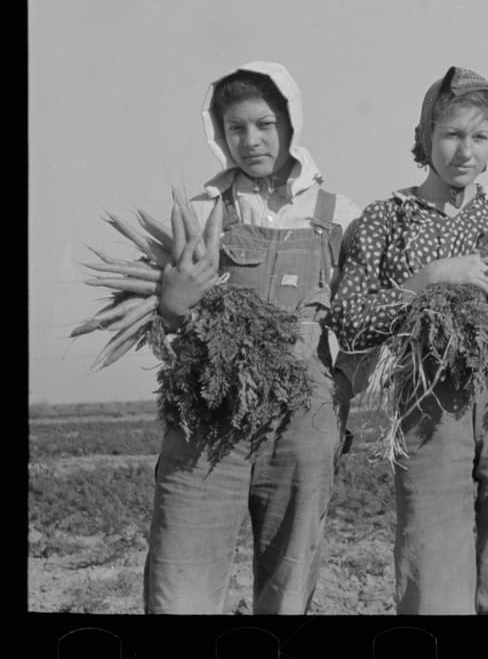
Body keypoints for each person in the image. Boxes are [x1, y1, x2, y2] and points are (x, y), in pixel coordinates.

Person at [329, 65, 488, 615]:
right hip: (427, 398)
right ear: (424, 137)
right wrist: (431, 278)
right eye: (450, 134)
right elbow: (349, 320)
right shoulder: (384, 218)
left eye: (479, 136)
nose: (464, 151)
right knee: (431, 556)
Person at [144, 61, 362, 614]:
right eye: (236, 128)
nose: (251, 141)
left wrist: (341, 386)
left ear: (291, 123)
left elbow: (365, 321)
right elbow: (166, 320)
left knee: (288, 587)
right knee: (180, 583)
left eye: (265, 124)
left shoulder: (340, 216)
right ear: (218, 134)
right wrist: (171, 308)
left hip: (303, 418)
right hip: (208, 409)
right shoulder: (200, 213)